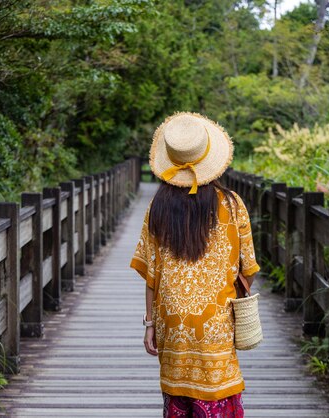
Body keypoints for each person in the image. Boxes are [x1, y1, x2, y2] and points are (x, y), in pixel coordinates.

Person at [130, 112, 260, 418]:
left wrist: (150, 325)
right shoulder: (231, 203)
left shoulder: (157, 206)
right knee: (216, 399)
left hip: (172, 322)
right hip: (215, 321)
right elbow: (249, 269)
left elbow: (151, 274)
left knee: (178, 401)